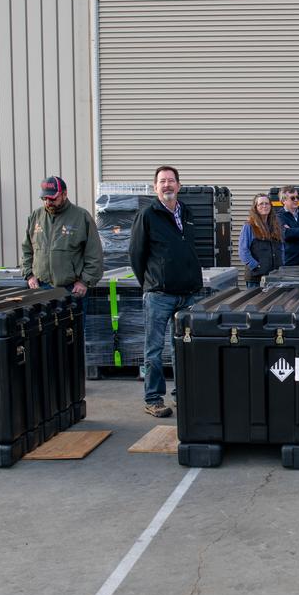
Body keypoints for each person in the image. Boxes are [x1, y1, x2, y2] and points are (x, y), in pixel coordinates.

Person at [128, 165, 203, 418]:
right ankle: (153, 398)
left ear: (179, 186)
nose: (167, 185)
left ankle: (181, 395)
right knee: (154, 350)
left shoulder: (187, 213)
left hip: (187, 294)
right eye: (162, 181)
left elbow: (189, 250)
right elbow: (136, 255)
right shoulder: (147, 215)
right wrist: (151, 282)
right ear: (155, 187)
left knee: (182, 347)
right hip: (159, 295)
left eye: (171, 181)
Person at [21, 176, 103, 297]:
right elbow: (27, 249)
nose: (48, 202)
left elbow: (94, 254)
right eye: (45, 198)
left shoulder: (81, 217)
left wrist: (84, 281)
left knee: (72, 317)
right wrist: (29, 275)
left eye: (53, 199)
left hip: (73, 289)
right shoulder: (36, 216)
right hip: (40, 286)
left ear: (64, 194)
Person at [239, 193, 284, 281]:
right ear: (255, 207)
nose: (264, 206)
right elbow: (243, 250)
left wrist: (282, 263)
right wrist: (255, 266)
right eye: (261, 204)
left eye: (267, 203)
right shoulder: (249, 226)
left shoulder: (275, 225)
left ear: (270, 206)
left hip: (274, 275)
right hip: (256, 277)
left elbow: (281, 247)